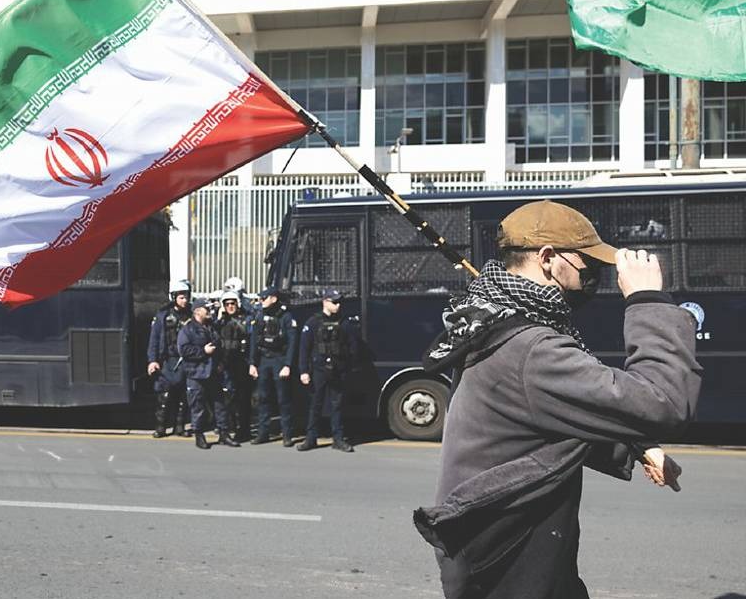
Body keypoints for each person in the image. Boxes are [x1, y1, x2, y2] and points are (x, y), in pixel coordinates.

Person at [413, 200, 702, 599]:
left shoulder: (494, 314)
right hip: (506, 560)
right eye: (587, 265)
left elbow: (539, 417)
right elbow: (664, 404)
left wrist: (634, 446)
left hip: (506, 544)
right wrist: (648, 300)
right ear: (548, 258)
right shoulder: (529, 346)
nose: (594, 277)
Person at [296, 288, 358, 453]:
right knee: (315, 405)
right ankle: (311, 439)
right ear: (325, 302)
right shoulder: (313, 322)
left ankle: (338, 439)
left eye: (339, 302)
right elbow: (304, 349)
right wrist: (303, 371)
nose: (338, 305)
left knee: (337, 406)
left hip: (338, 370)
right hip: (319, 370)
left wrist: (347, 368)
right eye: (334, 302)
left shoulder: (345, 323)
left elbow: (353, 348)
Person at [178, 298, 240, 450]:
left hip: (213, 373)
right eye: (206, 308)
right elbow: (184, 350)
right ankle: (199, 435)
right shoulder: (188, 330)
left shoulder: (210, 327)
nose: (209, 311)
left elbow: (219, 346)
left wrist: (220, 363)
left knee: (220, 405)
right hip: (196, 373)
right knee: (198, 406)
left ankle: (224, 434)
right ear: (197, 311)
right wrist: (203, 352)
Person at [249, 286, 298, 447]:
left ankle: (287, 434)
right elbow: (254, 341)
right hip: (263, 360)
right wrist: (252, 363)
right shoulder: (260, 315)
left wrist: (287, 365)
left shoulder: (285, 316)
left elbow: (292, 343)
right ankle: (263, 433)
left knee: (283, 399)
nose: (261, 301)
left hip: (279, 360)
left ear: (274, 299)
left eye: (265, 298)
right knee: (263, 398)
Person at [146, 279, 193, 438]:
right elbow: (154, 339)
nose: (184, 300)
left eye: (186, 296)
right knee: (164, 396)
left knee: (183, 396)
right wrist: (152, 360)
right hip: (167, 360)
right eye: (181, 297)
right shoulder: (163, 315)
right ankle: (160, 427)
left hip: (186, 360)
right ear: (173, 297)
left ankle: (180, 427)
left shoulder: (192, 314)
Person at [214, 290, 254, 443]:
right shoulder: (221, 322)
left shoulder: (247, 320)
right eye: (227, 304)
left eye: (233, 303)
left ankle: (243, 429)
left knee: (243, 399)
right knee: (227, 398)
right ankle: (229, 427)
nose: (230, 306)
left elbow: (252, 341)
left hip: (242, 363)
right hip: (226, 364)